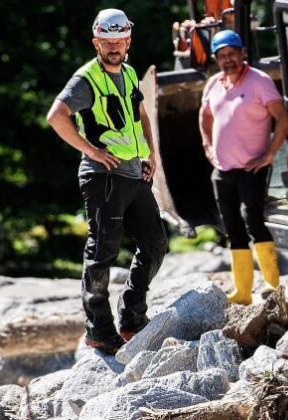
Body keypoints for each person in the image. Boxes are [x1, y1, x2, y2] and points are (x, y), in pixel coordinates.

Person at [47, 9, 167, 355]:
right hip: (103, 177)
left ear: (127, 40)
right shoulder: (86, 78)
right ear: (96, 42)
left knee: (156, 244)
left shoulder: (129, 72)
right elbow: (56, 116)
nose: (114, 47)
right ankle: (99, 330)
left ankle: (131, 317)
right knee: (102, 251)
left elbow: (140, 114)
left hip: (134, 173)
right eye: (107, 42)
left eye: (119, 41)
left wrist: (151, 153)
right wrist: (91, 151)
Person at [199, 30, 288, 305]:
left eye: (231, 53)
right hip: (223, 170)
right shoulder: (214, 84)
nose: (228, 59)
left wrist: (270, 154)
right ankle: (242, 292)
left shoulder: (259, 82)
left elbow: (283, 119)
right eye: (222, 55)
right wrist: (207, 146)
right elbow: (204, 116)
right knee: (232, 227)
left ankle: (273, 287)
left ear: (242, 54)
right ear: (216, 59)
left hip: (252, 168)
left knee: (253, 221)